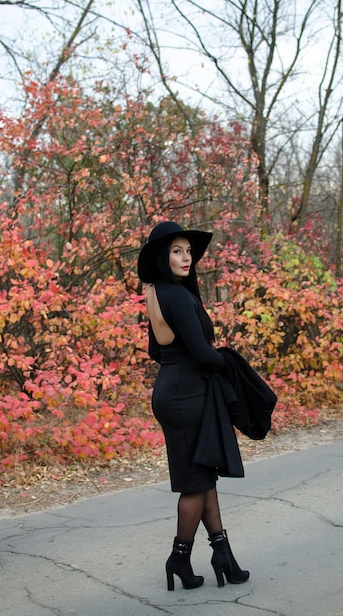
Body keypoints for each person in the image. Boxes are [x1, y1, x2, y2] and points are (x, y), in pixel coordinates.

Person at [137, 221, 249, 591]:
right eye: (176, 251)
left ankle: (224, 557)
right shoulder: (178, 296)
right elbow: (201, 352)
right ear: (161, 256)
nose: (186, 257)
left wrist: (188, 362)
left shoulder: (155, 293)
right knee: (194, 482)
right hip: (186, 395)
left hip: (175, 388)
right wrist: (231, 363)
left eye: (188, 251)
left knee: (204, 477)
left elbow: (157, 351)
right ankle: (179, 557)